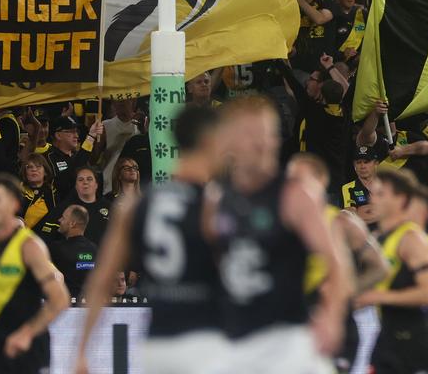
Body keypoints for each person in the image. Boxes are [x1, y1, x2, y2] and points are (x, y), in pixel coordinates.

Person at [203, 96, 352, 371]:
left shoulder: (294, 193)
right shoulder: (216, 199)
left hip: (288, 340)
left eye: (268, 133)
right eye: (251, 134)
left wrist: (332, 315)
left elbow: (338, 262)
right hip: (237, 339)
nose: (262, 143)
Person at [75, 106, 226, 374]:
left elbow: (100, 280)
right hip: (206, 344)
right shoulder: (215, 205)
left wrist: (83, 348)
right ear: (209, 140)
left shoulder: (133, 207)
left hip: (158, 348)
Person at [288, 153, 390, 374]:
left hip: (334, 317)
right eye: (291, 179)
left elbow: (379, 267)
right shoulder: (279, 222)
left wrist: (346, 292)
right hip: (293, 319)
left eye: (302, 179)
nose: (295, 186)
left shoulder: (341, 221)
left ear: (321, 182)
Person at [0, 174, 70, 374]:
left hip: (29, 342)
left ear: (14, 204)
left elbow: (60, 299)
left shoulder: (29, 246)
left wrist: (27, 333)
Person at [356, 168, 428, 374]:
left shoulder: (411, 239)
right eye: (372, 193)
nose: (373, 199)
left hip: (414, 340)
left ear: (401, 199)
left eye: (381, 194)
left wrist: (379, 296)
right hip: (387, 335)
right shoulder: (378, 238)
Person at [50, 204, 96, 298]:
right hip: (88, 305)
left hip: (64, 306)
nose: (59, 220)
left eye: (63, 218)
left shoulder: (56, 249)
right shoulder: (95, 250)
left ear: (72, 223)